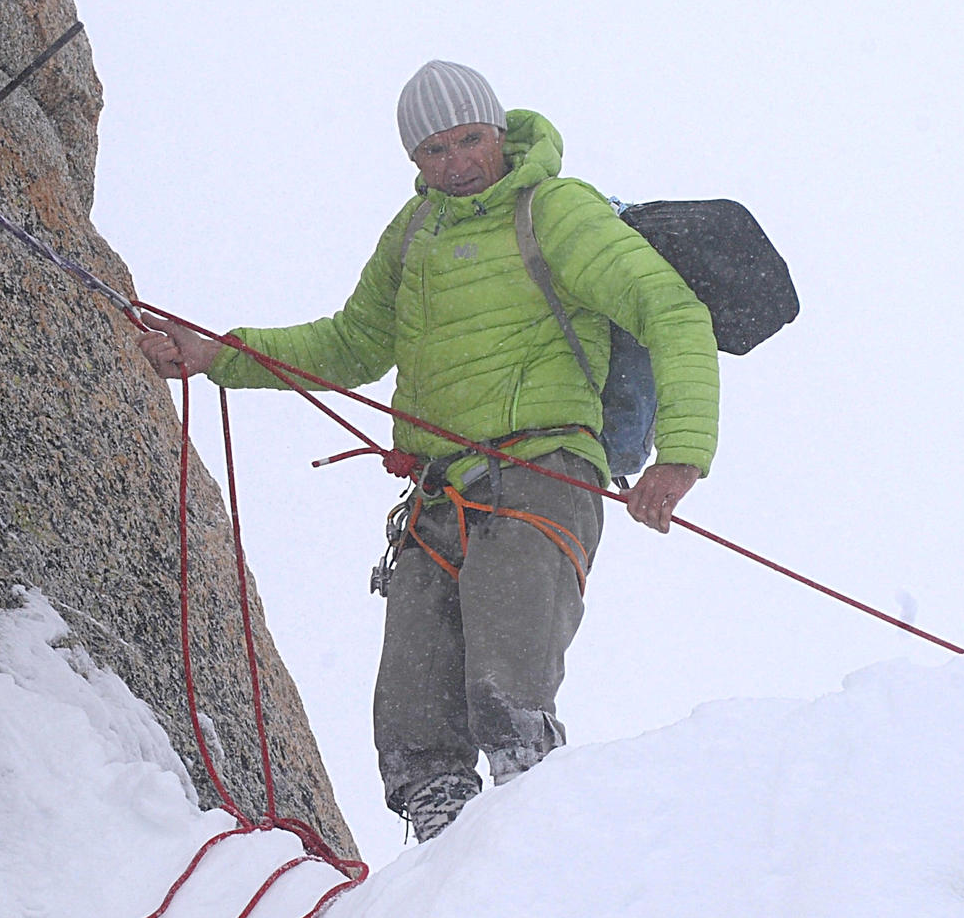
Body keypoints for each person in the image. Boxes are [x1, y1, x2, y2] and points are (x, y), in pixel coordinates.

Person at [136, 61, 719, 841]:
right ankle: (445, 856)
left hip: (542, 475)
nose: (457, 163)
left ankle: (538, 840)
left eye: (470, 140)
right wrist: (220, 355)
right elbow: (351, 343)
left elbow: (668, 308)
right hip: (438, 495)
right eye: (433, 151)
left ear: (500, 132)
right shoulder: (414, 234)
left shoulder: (555, 210)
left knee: (507, 692)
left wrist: (682, 454)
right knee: (414, 724)